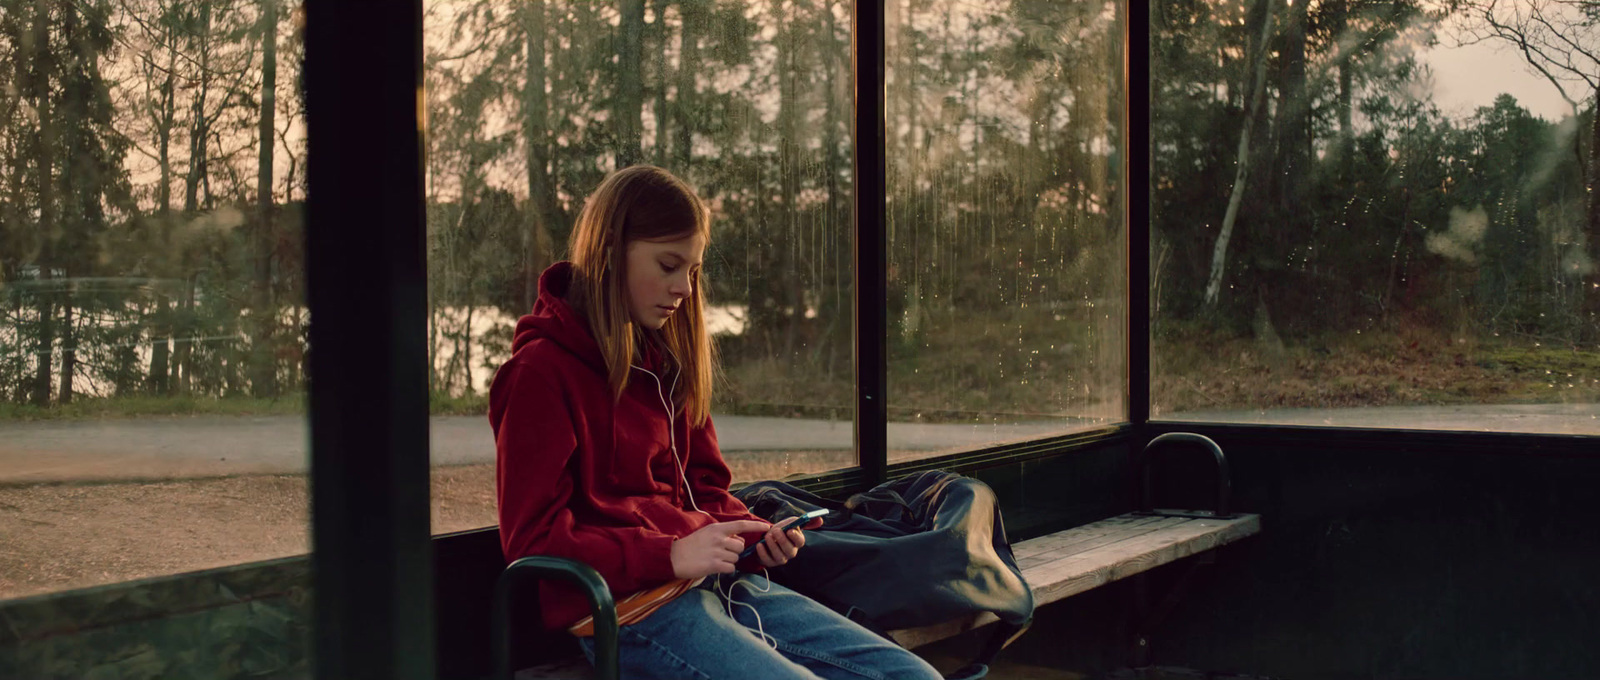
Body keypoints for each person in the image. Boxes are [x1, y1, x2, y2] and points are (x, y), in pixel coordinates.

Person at [490, 165, 945, 680]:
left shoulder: (665, 361)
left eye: (693, 271)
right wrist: (671, 554)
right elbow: (531, 543)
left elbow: (705, 490)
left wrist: (755, 538)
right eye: (668, 265)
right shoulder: (538, 374)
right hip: (634, 612)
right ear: (611, 251)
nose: (684, 288)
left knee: (915, 677)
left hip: (723, 586)